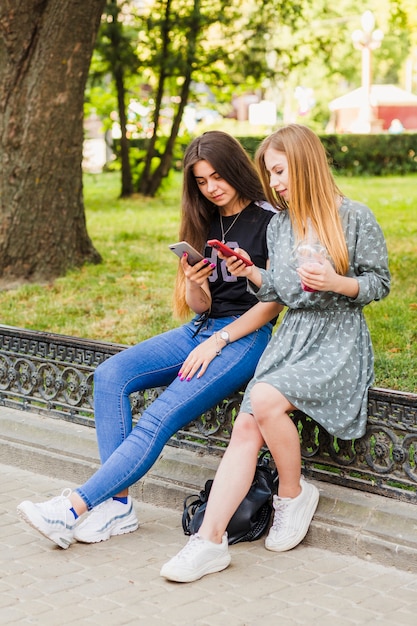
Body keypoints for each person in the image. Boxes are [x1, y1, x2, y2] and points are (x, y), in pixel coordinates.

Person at [17, 130, 282, 549]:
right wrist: (194, 282)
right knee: (110, 376)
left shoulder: (270, 219)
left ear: (235, 169)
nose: (211, 188)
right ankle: (118, 506)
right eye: (200, 181)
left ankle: (73, 507)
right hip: (200, 329)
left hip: (244, 338)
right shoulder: (204, 217)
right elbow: (199, 306)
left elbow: (273, 301)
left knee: (158, 415)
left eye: (217, 177)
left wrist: (218, 342)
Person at [160, 123, 390, 583]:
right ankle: (208, 541)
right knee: (246, 423)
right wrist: (252, 273)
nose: (276, 183)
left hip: (338, 338)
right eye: (271, 173)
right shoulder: (281, 225)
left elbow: (379, 282)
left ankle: (292, 492)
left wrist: (340, 284)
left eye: (281, 171)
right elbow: (282, 292)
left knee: (262, 400)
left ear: (306, 164)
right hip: (294, 337)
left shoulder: (355, 216)